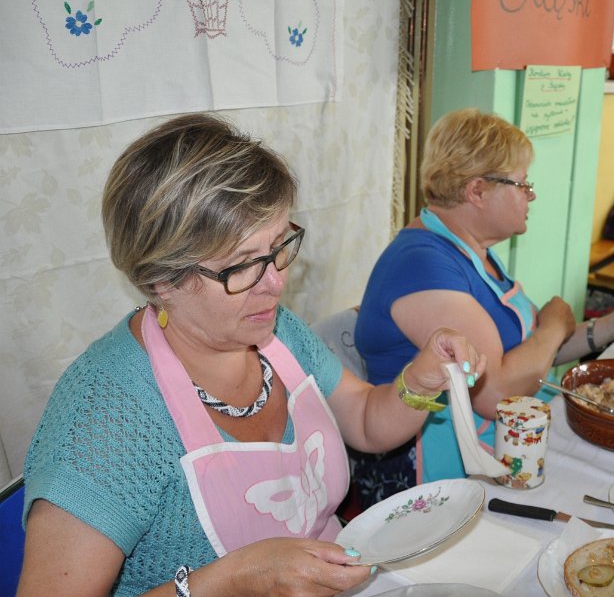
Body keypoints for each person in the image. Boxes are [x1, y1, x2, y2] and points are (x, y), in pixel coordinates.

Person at [17, 114, 486, 596]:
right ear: (162, 280)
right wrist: (235, 578)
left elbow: (366, 421)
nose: (276, 283)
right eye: (242, 266)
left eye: (279, 246)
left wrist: (418, 382)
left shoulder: (275, 332)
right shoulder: (107, 419)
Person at [353, 108, 614, 507]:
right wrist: (554, 326)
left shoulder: (473, 253)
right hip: (429, 482)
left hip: (493, 449)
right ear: (477, 191)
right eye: (522, 184)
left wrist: (606, 328)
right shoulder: (422, 263)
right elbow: (496, 392)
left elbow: (527, 355)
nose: (531, 194)